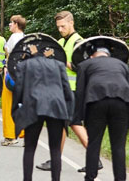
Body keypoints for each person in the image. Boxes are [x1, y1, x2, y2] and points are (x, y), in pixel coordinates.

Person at [38, 11, 92, 172]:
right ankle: (56, 159)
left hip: (73, 90)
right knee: (61, 124)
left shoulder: (79, 42)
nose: (60, 29)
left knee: (74, 123)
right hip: (61, 89)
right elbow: (50, 55)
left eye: (63, 26)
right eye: (58, 27)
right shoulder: (61, 41)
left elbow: (83, 67)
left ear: (71, 23)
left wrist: (65, 62)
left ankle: (93, 158)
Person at [13, 45, 74, 181]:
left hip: (33, 106)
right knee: (55, 149)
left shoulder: (25, 65)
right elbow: (67, 91)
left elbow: (18, 89)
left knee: (29, 147)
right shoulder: (59, 65)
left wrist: (16, 110)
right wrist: (68, 113)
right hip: (56, 107)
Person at [75, 44, 129, 181]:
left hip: (96, 102)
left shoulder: (85, 64)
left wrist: (78, 116)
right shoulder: (122, 65)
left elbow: (80, 92)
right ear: (108, 55)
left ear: (92, 55)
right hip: (121, 102)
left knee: (94, 143)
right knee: (118, 146)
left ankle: (90, 177)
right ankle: (120, 179)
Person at [1, 15, 26, 146]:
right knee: (22, 103)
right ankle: (24, 132)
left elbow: (10, 55)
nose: (9, 25)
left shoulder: (14, 38)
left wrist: (6, 68)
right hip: (23, 73)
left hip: (12, 73)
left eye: (11, 23)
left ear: (16, 24)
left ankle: (10, 135)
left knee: (9, 103)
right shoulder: (24, 38)